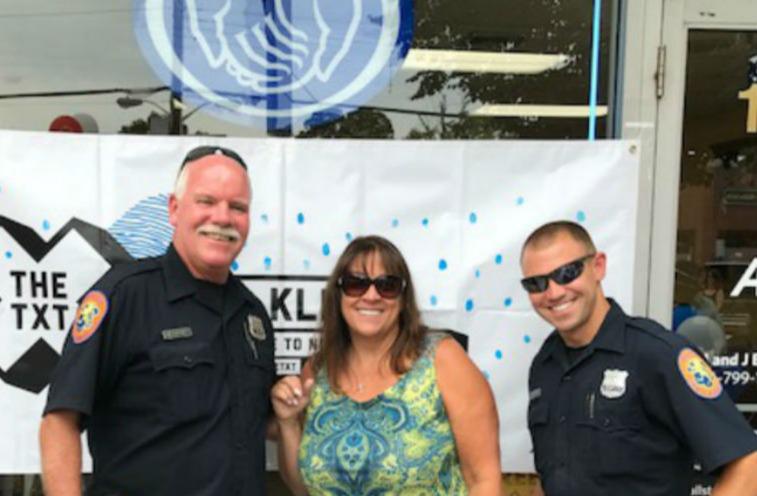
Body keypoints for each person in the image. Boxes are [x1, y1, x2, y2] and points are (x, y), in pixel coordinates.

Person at [39, 146, 275, 496]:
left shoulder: (252, 314)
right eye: (206, 201)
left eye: (237, 207)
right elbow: (59, 421)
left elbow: (259, 422)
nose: (223, 218)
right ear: (175, 210)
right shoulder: (123, 296)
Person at [519, 220, 757, 496]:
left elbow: (747, 465)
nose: (554, 292)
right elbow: (555, 476)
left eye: (567, 273)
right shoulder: (545, 365)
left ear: (598, 266)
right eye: (536, 283)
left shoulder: (657, 354)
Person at [271, 235, 502, 495]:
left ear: (403, 299)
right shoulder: (319, 370)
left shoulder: (443, 358)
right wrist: (288, 423)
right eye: (356, 284)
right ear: (338, 294)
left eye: (387, 285)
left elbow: (484, 480)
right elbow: (303, 489)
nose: (371, 296)